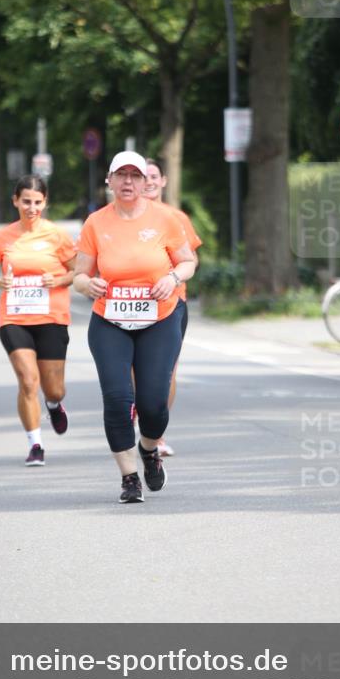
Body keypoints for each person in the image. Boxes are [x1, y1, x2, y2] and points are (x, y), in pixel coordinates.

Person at [74, 151, 196, 504]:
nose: (128, 182)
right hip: (109, 320)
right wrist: (87, 285)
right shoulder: (96, 223)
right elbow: (80, 273)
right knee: (116, 399)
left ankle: (148, 450)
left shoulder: (166, 220)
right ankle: (129, 478)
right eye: (121, 175)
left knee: (154, 404)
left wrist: (172, 278)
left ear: (145, 183)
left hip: (159, 318)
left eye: (135, 176)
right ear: (109, 181)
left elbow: (187, 262)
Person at [0, 175, 76, 466]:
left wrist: (56, 279)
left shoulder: (57, 235)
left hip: (51, 317)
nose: (31, 208)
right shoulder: (3, 237)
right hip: (14, 317)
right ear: (15, 201)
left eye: (37, 202)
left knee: (53, 387)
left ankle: (54, 404)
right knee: (27, 380)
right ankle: (35, 443)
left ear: (45, 203)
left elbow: (78, 273)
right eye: (26, 201)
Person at [142, 157, 202, 456]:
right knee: (133, 371)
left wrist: (172, 277)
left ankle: (157, 434)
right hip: (132, 304)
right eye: (145, 176)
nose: (150, 181)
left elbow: (191, 259)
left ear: (164, 180)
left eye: (155, 176)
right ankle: (140, 420)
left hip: (172, 303)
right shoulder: (125, 217)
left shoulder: (176, 218)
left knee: (167, 370)